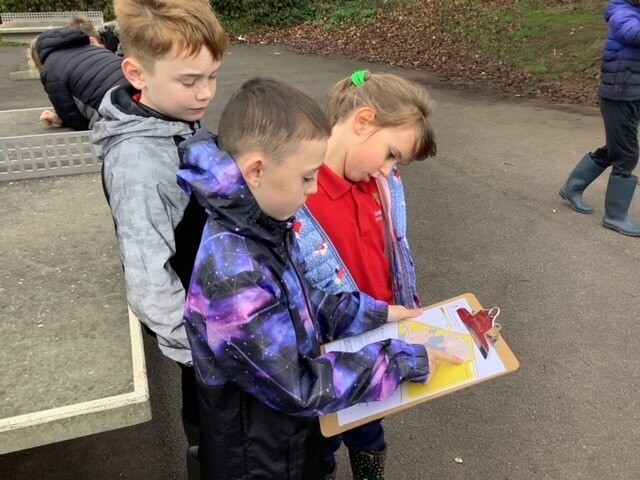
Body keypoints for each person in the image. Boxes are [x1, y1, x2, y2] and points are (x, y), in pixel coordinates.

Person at [177, 77, 461, 480]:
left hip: (285, 440)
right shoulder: (234, 276)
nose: (313, 191)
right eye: (307, 177)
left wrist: (379, 314)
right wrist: (400, 360)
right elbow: (298, 386)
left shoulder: (263, 224)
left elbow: (308, 300)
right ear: (257, 170)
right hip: (263, 458)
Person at [90, 0, 227, 477]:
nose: (205, 92)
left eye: (212, 76)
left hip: (217, 308)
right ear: (137, 73)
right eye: (190, 81)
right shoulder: (139, 165)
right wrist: (203, 354)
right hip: (199, 331)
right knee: (215, 433)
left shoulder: (174, 118)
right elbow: (149, 280)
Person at [295, 69, 437, 480]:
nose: (389, 169)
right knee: (318, 443)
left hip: (377, 339)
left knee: (369, 432)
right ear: (363, 121)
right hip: (325, 353)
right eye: (391, 153)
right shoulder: (298, 189)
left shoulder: (383, 181)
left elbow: (394, 247)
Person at [559, 0, 640, 237]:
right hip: (618, 96)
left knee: (617, 147)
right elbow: (634, 34)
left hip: (631, 94)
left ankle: (572, 187)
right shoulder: (621, 12)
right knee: (626, 153)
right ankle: (615, 216)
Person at [29, 14, 127, 130]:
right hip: (137, 93)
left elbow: (73, 118)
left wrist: (61, 120)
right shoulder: (93, 47)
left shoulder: (50, 69)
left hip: (114, 113)